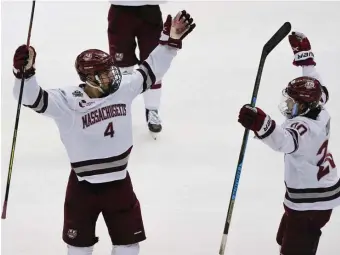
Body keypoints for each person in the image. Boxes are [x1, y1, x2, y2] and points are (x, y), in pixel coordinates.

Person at [12, 11, 195, 255]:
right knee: (78, 250)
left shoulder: (124, 89)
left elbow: (152, 69)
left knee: (129, 248)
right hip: (82, 187)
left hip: (119, 184)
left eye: (111, 69)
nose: (112, 74)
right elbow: (30, 97)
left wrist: (170, 41)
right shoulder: (67, 102)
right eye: (105, 72)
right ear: (89, 78)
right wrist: (24, 73)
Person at [237, 31, 340, 255]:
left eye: (293, 103)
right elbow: (317, 84)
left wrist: (260, 123)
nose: (289, 106)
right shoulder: (318, 109)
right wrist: (306, 58)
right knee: (285, 237)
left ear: (304, 106)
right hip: (316, 193)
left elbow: (283, 141)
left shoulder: (304, 129)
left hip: (310, 204)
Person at [107, 1, 167, 138]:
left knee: (153, 64)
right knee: (122, 68)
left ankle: (152, 109)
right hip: (121, 11)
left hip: (150, 12)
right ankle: (120, 112)